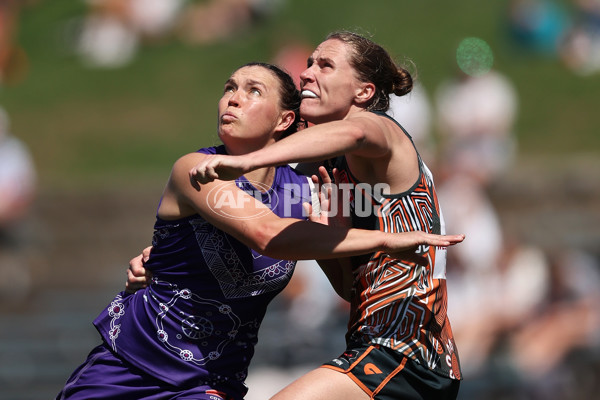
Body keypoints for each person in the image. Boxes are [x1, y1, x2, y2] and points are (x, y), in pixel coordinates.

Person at [56, 62, 464, 400]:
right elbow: (267, 233)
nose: (233, 98)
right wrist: (384, 239)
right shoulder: (197, 170)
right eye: (229, 87)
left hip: (209, 383)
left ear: (285, 119)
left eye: (253, 91)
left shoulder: (301, 191)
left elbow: (344, 288)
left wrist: (334, 231)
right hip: (130, 365)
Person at [186, 30, 463, 399]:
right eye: (309, 63)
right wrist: (327, 233)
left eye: (325, 65)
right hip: (373, 347)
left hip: (407, 352)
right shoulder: (330, 169)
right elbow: (349, 288)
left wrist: (244, 161)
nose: (306, 74)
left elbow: (353, 133)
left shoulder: (381, 130)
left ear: (363, 92)